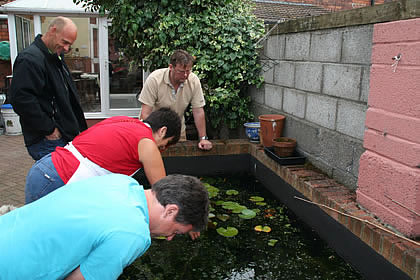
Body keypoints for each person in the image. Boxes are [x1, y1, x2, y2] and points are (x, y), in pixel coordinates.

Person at [0, 173, 209, 280]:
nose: (170, 238)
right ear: (170, 211)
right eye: (175, 231)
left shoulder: (121, 182)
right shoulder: (133, 233)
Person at [25, 107, 181, 205]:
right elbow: (163, 191)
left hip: (44, 168)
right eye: (166, 144)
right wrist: (188, 220)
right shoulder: (147, 142)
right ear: (163, 131)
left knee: (35, 241)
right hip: (59, 179)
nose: (162, 149)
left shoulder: (123, 121)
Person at [10, 16, 87, 161]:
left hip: (62, 136)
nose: (66, 48)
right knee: (59, 180)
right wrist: (49, 129)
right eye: (64, 42)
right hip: (48, 140)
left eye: (69, 45)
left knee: (67, 180)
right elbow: (21, 99)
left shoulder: (54, 56)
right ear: (53, 30)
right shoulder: (30, 59)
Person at [138, 49, 212, 151]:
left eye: (188, 71)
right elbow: (145, 114)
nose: (185, 75)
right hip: (154, 132)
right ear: (171, 67)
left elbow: (198, 111)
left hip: (178, 132)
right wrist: (150, 138)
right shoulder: (154, 79)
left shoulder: (193, 81)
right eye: (181, 72)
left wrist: (203, 138)